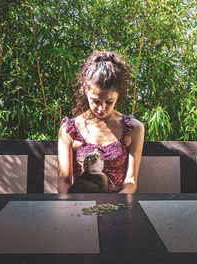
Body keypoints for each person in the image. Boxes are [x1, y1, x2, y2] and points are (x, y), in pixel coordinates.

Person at [58, 50, 145, 194]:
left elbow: (131, 181)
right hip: (80, 203)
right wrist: (69, 207)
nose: (102, 108)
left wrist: (116, 206)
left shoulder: (133, 128)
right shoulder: (69, 129)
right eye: (95, 101)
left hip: (117, 203)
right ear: (85, 91)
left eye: (109, 102)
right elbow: (64, 182)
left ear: (118, 94)